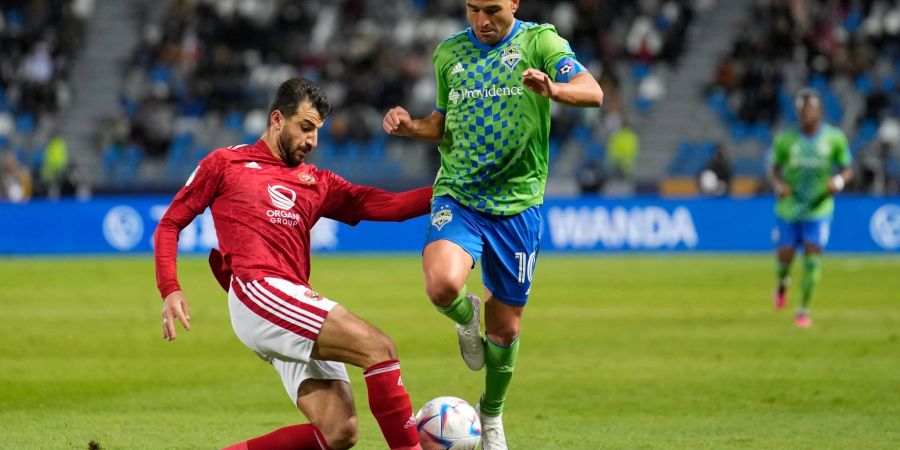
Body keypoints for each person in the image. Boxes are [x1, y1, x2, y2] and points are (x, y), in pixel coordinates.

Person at [154, 78, 430, 450]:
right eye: (306, 127)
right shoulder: (226, 163)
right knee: (379, 348)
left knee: (339, 432)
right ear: (277, 119)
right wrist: (170, 288)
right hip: (258, 290)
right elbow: (171, 222)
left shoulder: (317, 182)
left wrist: (449, 193)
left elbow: (388, 206)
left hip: (290, 297)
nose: (312, 141)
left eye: (317, 131)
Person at [382, 1, 603, 448]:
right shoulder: (449, 54)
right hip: (459, 195)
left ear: (514, 3)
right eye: (473, 9)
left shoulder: (539, 41)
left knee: (505, 331)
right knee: (442, 286)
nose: (483, 21)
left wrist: (553, 90)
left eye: (493, 10)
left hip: (517, 206)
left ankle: (492, 415)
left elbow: (592, 90)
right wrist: (411, 127)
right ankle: (466, 317)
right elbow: (442, 126)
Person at [770, 88, 852, 328]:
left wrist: (838, 181)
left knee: (812, 255)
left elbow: (847, 167)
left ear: (820, 112)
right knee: (785, 257)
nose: (807, 114)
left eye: (811, 109)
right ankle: (782, 282)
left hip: (819, 207)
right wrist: (778, 185)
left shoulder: (834, 138)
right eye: (802, 110)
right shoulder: (786, 140)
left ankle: (803, 311)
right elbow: (774, 169)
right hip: (790, 207)